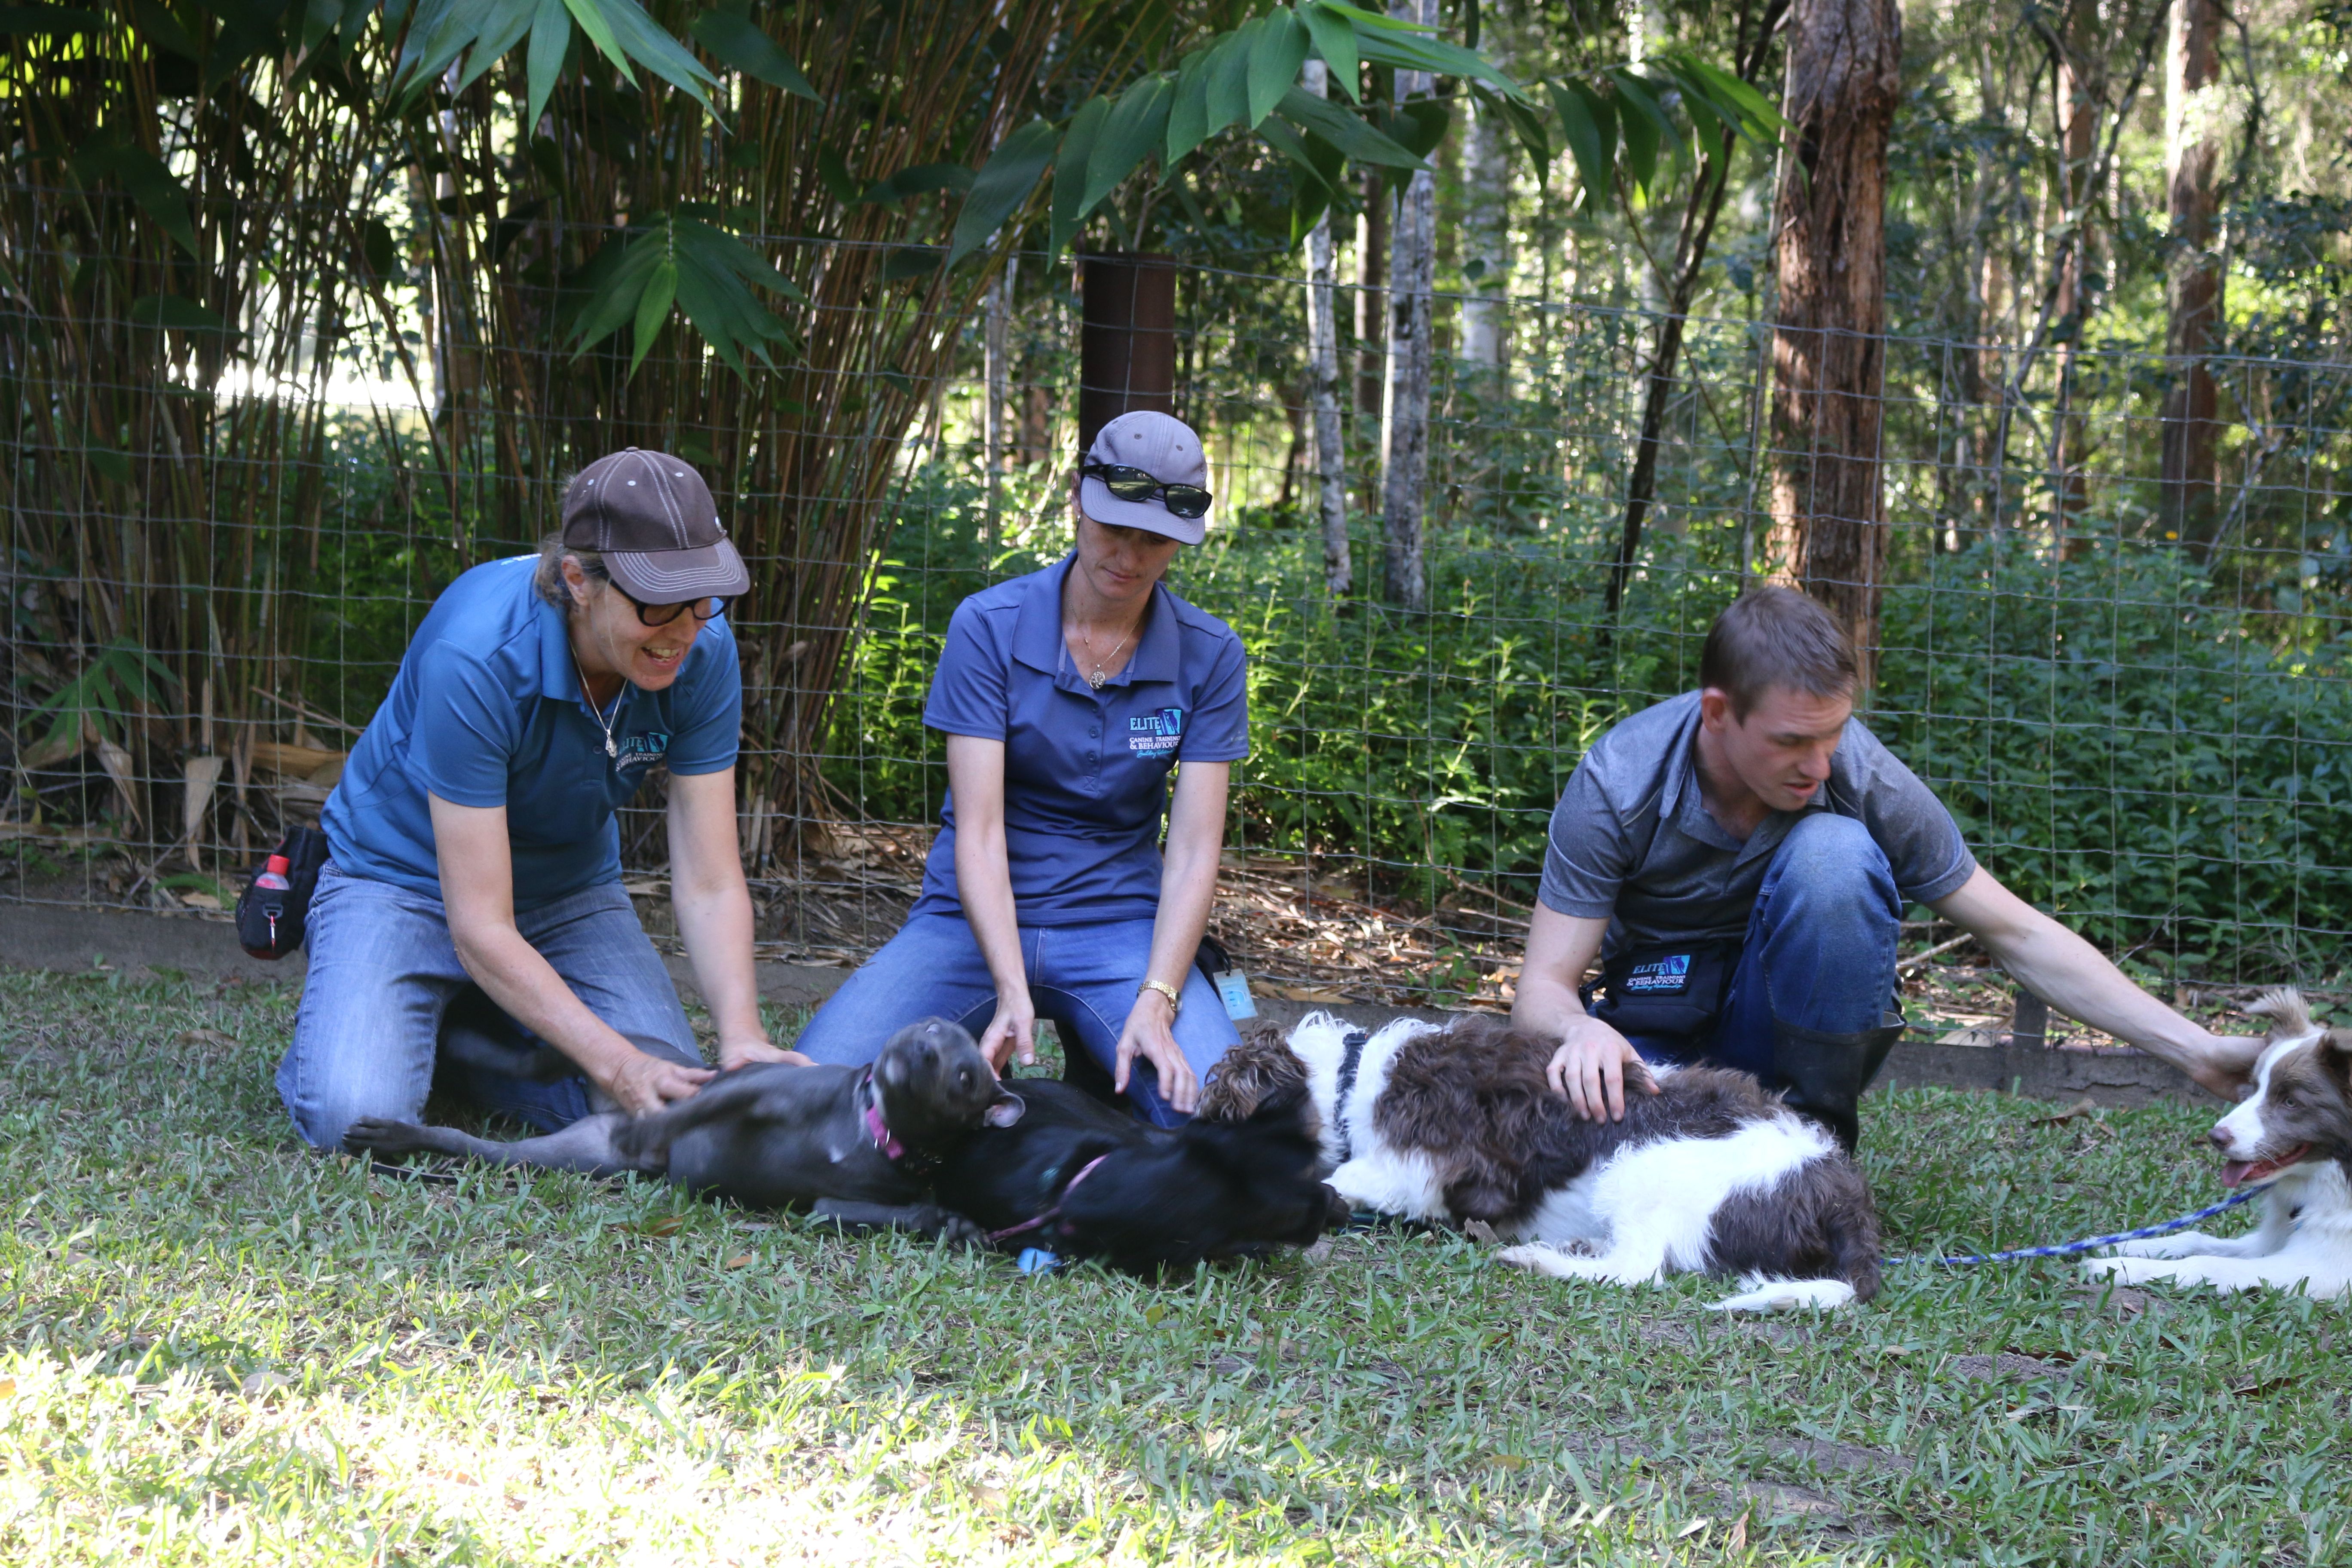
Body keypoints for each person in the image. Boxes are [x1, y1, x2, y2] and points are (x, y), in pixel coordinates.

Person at [1512, 586, 2261, 1149]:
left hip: (1782, 1038)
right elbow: (1542, 988)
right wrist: (1580, 1032)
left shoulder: (1857, 772)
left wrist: (2198, 1052)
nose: (1818, 764)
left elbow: (2017, 933)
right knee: (1573, 1142)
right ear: (1717, 713)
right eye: (1790, 742)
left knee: (1836, 853)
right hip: (1656, 1029)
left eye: (1834, 733)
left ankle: (1810, 1151)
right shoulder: (1620, 781)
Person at [276, 448, 803, 1149]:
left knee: (673, 1115)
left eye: (705, 599)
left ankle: (465, 1037)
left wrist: (742, 1038)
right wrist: (616, 1062)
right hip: (399, 880)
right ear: (578, 580)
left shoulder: (700, 649)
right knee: (354, 1115)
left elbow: (708, 881)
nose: (684, 629)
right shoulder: (478, 654)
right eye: (658, 601)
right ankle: (390, 1006)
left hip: (566, 888)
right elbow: (480, 923)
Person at [793, 411, 1247, 1125]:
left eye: (1155, 539)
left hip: (1120, 922)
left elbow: (1193, 851)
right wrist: (1011, 990)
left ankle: (1110, 1092)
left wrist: (1159, 997)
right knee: (810, 1097)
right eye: (1113, 529)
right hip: (968, 922)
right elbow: (976, 833)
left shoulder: (1211, 652)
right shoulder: (988, 625)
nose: (1129, 556)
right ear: (1077, 500)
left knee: (1224, 1117)